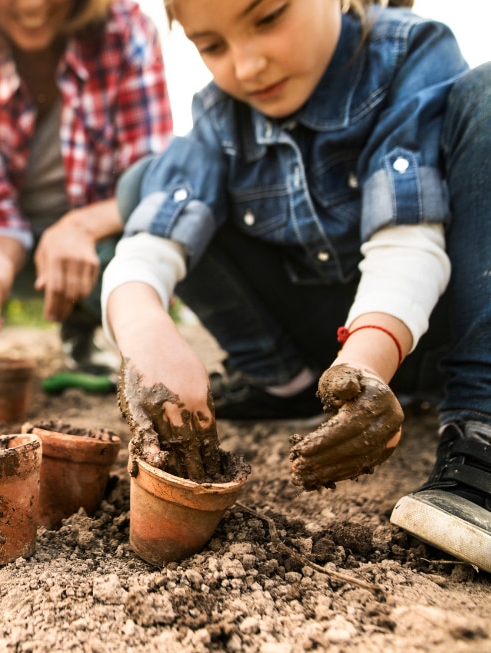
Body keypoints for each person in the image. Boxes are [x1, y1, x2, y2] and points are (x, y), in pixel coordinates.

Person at [104, 0, 490, 571]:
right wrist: (145, 332)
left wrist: (366, 362)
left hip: (429, 328)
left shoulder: (410, 54)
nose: (248, 64)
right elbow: (151, 242)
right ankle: (280, 381)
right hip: (323, 346)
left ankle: (481, 423)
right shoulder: (219, 113)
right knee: (147, 184)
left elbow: (407, 241)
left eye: (268, 17)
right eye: (212, 46)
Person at [0, 0, 173, 396]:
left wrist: (79, 227)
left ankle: (82, 330)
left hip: (96, 250)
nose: (32, 4)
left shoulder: (126, 31)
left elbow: (149, 180)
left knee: (160, 229)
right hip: (4, 252)